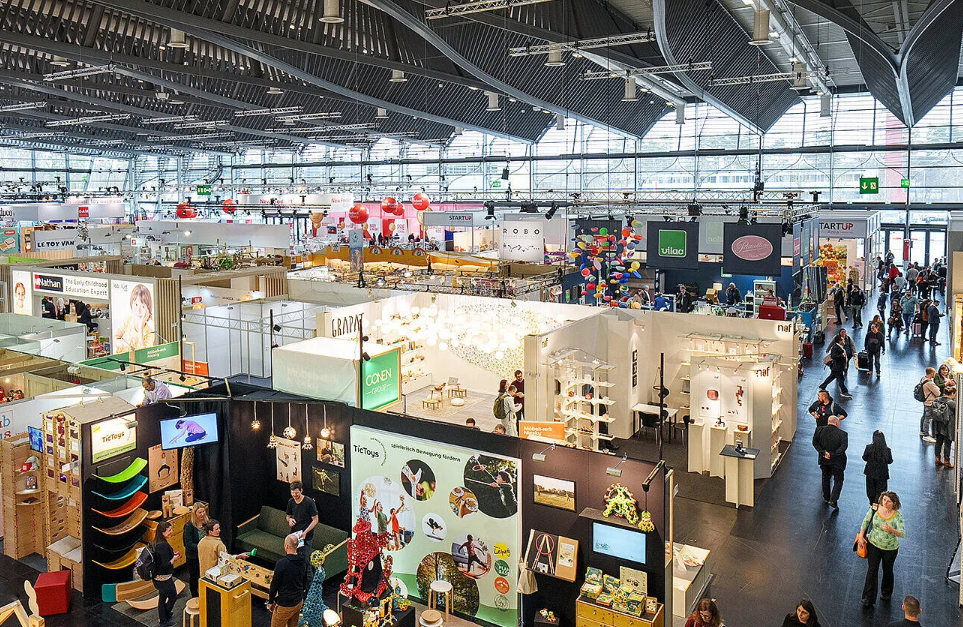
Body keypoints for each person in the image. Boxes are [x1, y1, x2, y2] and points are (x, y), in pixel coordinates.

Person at [858, 491, 905, 606]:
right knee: (872, 570)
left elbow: (902, 533)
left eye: (888, 501)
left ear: (894, 503)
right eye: (884, 500)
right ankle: (868, 598)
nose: (885, 503)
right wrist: (861, 536)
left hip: (890, 549)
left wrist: (891, 530)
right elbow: (866, 521)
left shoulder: (897, 516)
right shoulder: (875, 508)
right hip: (873, 544)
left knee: (887, 570)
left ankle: (886, 593)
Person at [286, 481, 318, 590]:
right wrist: (290, 520)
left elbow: (315, 520)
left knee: (306, 562)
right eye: (292, 493)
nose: (294, 495)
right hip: (294, 535)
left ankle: (309, 589)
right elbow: (288, 516)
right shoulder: (291, 502)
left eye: (296, 493)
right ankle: (296, 584)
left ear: (301, 491)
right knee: (292, 559)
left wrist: (305, 532)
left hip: (306, 537)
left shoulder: (309, 502)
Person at [269, 534, 307, 627]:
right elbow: (305, 581)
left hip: (285, 604)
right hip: (298, 601)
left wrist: (271, 601)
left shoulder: (282, 563)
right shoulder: (303, 561)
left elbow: (274, 585)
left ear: (286, 546)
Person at [812, 416, 847, 509]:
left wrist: (823, 453)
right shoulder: (843, 434)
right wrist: (832, 454)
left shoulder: (819, 430)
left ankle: (826, 498)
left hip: (824, 460)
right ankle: (833, 499)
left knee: (825, 478)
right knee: (838, 480)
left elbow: (815, 443)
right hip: (837, 461)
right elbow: (843, 447)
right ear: (836, 423)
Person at [152, 521, 180, 627]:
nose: (171, 532)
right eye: (169, 530)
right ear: (162, 532)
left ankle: (162, 619)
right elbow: (165, 565)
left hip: (157, 578)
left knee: (162, 597)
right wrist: (174, 559)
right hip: (164, 578)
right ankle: (165, 616)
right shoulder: (163, 546)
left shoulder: (156, 542)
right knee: (173, 597)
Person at [114, 283, 155, 353]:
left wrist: (140, 328)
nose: (138, 310)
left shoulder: (150, 333)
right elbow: (115, 338)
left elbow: (144, 354)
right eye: (136, 304)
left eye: (143, 306)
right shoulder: (127, 321)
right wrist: (125, 344)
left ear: (148, 309)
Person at [183, 503, 209, 596]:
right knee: (194, 576)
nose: (202, 514)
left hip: (205, 554)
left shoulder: (207, 522)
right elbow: (188, 544)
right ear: (195, 513)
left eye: (203, 511)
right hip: (193, 556)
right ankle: (194, 594)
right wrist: (202, 547)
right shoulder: (189, 526)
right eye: (200, 512)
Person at [862, 431, 893, 505]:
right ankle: (877, 504)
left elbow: (864, 458)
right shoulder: (887, 450)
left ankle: (872, 503)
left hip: (870, 473)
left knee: (870, 490)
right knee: (881, 491)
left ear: (873, 438)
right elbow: (890, 461)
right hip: (882, 474)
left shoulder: (869, 447)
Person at [931, 387, 956, 468]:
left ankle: (937, 459)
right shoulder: (952, 403)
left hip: (937, 425)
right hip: (947, 426)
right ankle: (946, 461)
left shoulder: (937, 400)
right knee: (947, 444)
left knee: (938, 442)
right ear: (952, 394)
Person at [919, 367, 940, 443]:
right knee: (927, 418)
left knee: (924, 416)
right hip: (930, 402)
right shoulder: (930, 383)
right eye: (934, 372)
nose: (935, 374)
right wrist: (937, 388)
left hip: (925, 401)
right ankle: (926, 435)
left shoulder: (923, 379)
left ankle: (922, 431)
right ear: (931, 373)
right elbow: (938, 393)